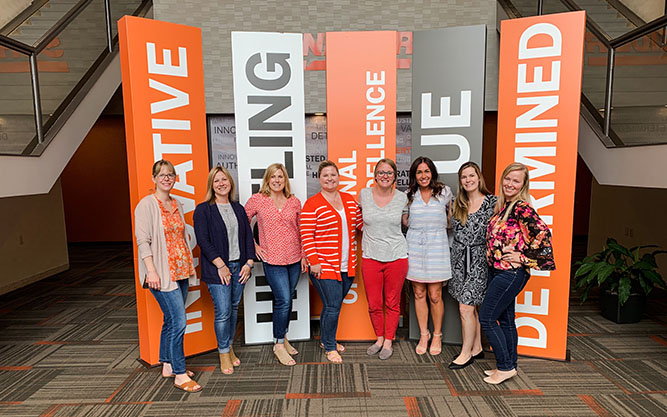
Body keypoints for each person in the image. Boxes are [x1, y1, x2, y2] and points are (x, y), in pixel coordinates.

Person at [480, 162, 555, 384]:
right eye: (507, 179)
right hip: (498, 272)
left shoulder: (522, 208)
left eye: (515, 181)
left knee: (487, 318)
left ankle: (504, 367)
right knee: (506, 319)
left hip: (510, 274)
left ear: (523, 185)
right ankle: (510, 364)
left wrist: (522, 258)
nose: (510, 184)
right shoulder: (506, 206)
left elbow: (543, 236)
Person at [134, 160, 202, 393]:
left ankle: (167, 364)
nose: (167, 178)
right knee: (180, 321)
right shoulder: (146, 205)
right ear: (154, 178)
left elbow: (180, 237)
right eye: (162, 175)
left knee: (171, 319)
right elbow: (143, 241)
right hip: (161, 273)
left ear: (175, 179)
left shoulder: (176, 203)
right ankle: (180, 374)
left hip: (181, 270)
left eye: (170, 175)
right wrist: (151, 271)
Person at [193, 166, 255, 375]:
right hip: (218, 269)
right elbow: (202, 240)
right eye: (217, 180)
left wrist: (249, 263)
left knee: (234, 307)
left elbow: (247, 236)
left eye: (224, 180)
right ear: (212, 184)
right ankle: (223, 352)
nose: (221, 184)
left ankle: (228, 347)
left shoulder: (238, 208)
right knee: (223, 312)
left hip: (240, 267)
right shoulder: (203, 209)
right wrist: (220, 265)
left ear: (230, 183)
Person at [245, 163, 307, 366]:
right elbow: (242, 222)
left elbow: (301, 230)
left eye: (280, 176)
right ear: (267, 180)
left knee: (286, 300)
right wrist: (253, 246)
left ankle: (283, 337)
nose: (277, 180)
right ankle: (279, 345)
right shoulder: (258, 200)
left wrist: (305, 255)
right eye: (273, 177)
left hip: (294, 259)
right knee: (283, 300)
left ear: (285, 179)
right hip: (273, 259)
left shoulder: (294, 202)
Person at [300, 160, 360, 364]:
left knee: (330, 305)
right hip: (324, 265)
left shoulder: (349, 200)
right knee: (333, 306)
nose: (330, 178)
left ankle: (327, 340)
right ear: (319, 178)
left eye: (333, 174)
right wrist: (313, 261)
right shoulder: (313, 203)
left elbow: (361, 224)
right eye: (325, 175)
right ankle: (331, 347)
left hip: (347, 264)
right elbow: (306, 234)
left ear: (338, 177)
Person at [448, 161, 496, 369]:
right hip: (459, 260)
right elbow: (452, 230)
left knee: (465, 308)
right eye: (464, 177)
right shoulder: (457, 204)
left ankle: (465, 353)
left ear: (479, 177)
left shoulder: (493, 202)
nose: (468, 180)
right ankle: (477, 347)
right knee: (471, 306)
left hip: (479, 260)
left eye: (471, 175)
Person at [403, 156, 453, 356]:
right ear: (414, 176)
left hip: (437, 247)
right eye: (419, 172)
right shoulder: (409, 195)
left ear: (432, 173)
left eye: (426, 171)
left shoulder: (444, 192)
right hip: (415, 246)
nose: (423, 176)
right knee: (419, 293)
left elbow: (450, 219)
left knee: (435, 295)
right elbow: (405, 220)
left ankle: (437, 334)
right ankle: (424, 334)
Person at [360, 158, 409, 360]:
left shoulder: (402, 198)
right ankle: (378, 338)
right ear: (375, 175)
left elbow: (407, 222)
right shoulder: (363, 195)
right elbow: (356, 219)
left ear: (395, 176)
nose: (385, 176)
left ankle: (388, 340)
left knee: (392, 302)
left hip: (396, 256)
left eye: (389, 173)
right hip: (371, 255)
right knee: (373, 303)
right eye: (381, 172)